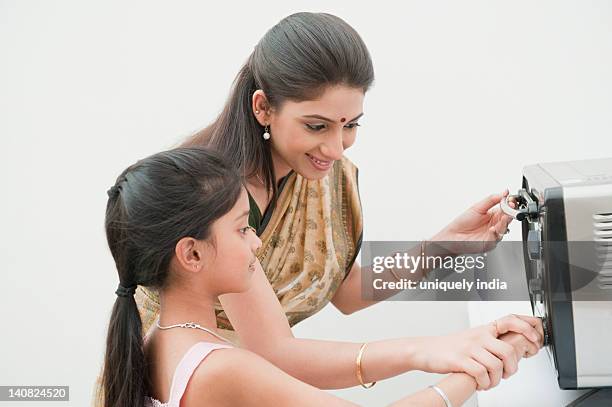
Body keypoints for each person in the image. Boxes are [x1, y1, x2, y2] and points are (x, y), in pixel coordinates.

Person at [93, 11, 544, 405]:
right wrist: (435, 354)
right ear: (264, 107)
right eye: (317, 126)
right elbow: (276, 352)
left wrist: (442, 249)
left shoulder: (328, 174)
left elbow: (343, 291)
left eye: (350, 125)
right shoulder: (217, 198)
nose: (335, 146)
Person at [101, 147, 542, 407]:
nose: (257, 243)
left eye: (351, 125)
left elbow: (341, 292)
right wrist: (483, 366)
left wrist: (440, 347)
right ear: (191, 254)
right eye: (242, 229)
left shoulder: (156, 340)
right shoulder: (218, 366)